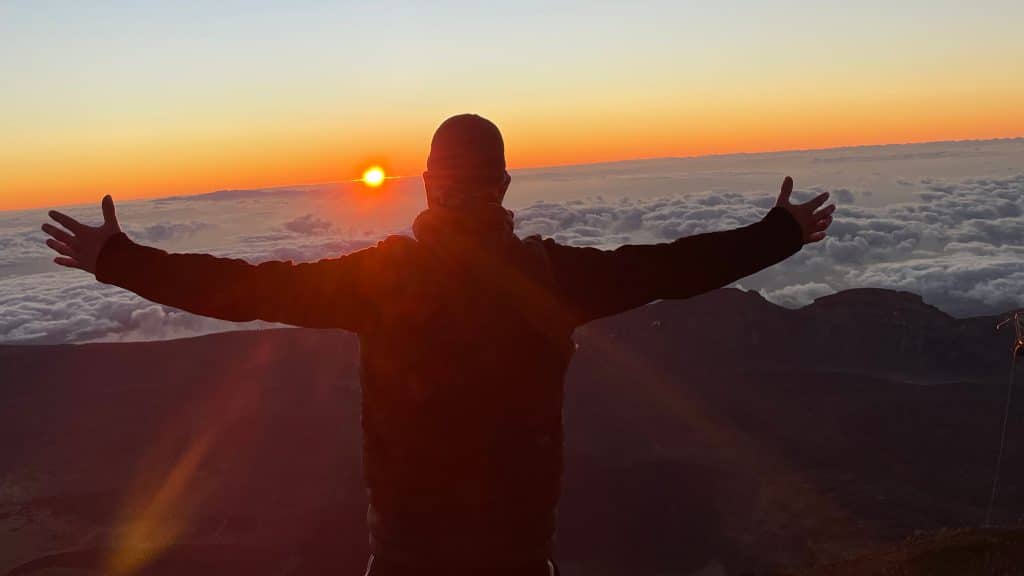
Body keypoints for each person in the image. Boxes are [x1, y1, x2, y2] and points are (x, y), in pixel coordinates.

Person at [42, 114, 835, 576]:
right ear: (503, 188)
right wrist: (779, 235)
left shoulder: (379, 282)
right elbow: (672, 269)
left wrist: (118, 259)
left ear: (428, 186)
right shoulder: (556, 277)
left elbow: (244, 287)